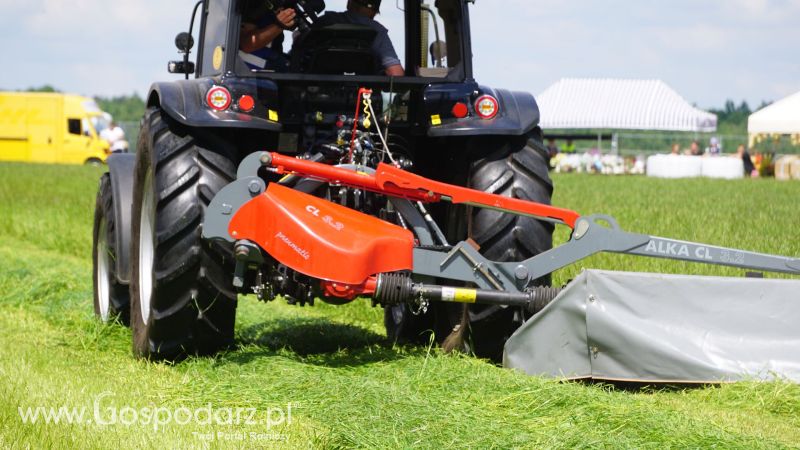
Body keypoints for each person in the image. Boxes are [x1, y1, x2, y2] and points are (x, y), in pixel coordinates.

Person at [315, 0, 404, 76]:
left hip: (316, 92)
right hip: (365, 94)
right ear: (372, 10)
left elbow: (302, 55)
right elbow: (396, 73)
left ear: (350, 3)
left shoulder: (324, 22)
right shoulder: (378, 31)